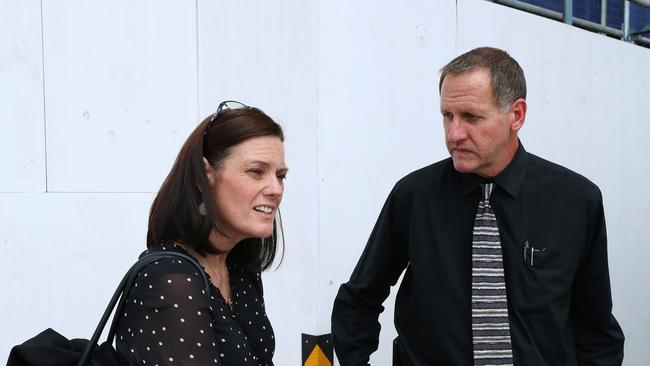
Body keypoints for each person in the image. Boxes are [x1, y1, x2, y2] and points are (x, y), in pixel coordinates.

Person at [331, 47, 624, 365]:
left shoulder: (576, 202)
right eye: (447, 115)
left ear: (516, 115)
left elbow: (597, 332)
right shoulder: (414, 197)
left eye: (471, 117)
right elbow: (358, 301)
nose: (454, 133)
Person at [115, 100, 288, 365]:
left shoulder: (239, 271)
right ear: (204, 176)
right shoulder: (171, 281)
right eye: (256, 171)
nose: (275, 188)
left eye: (280, 175)